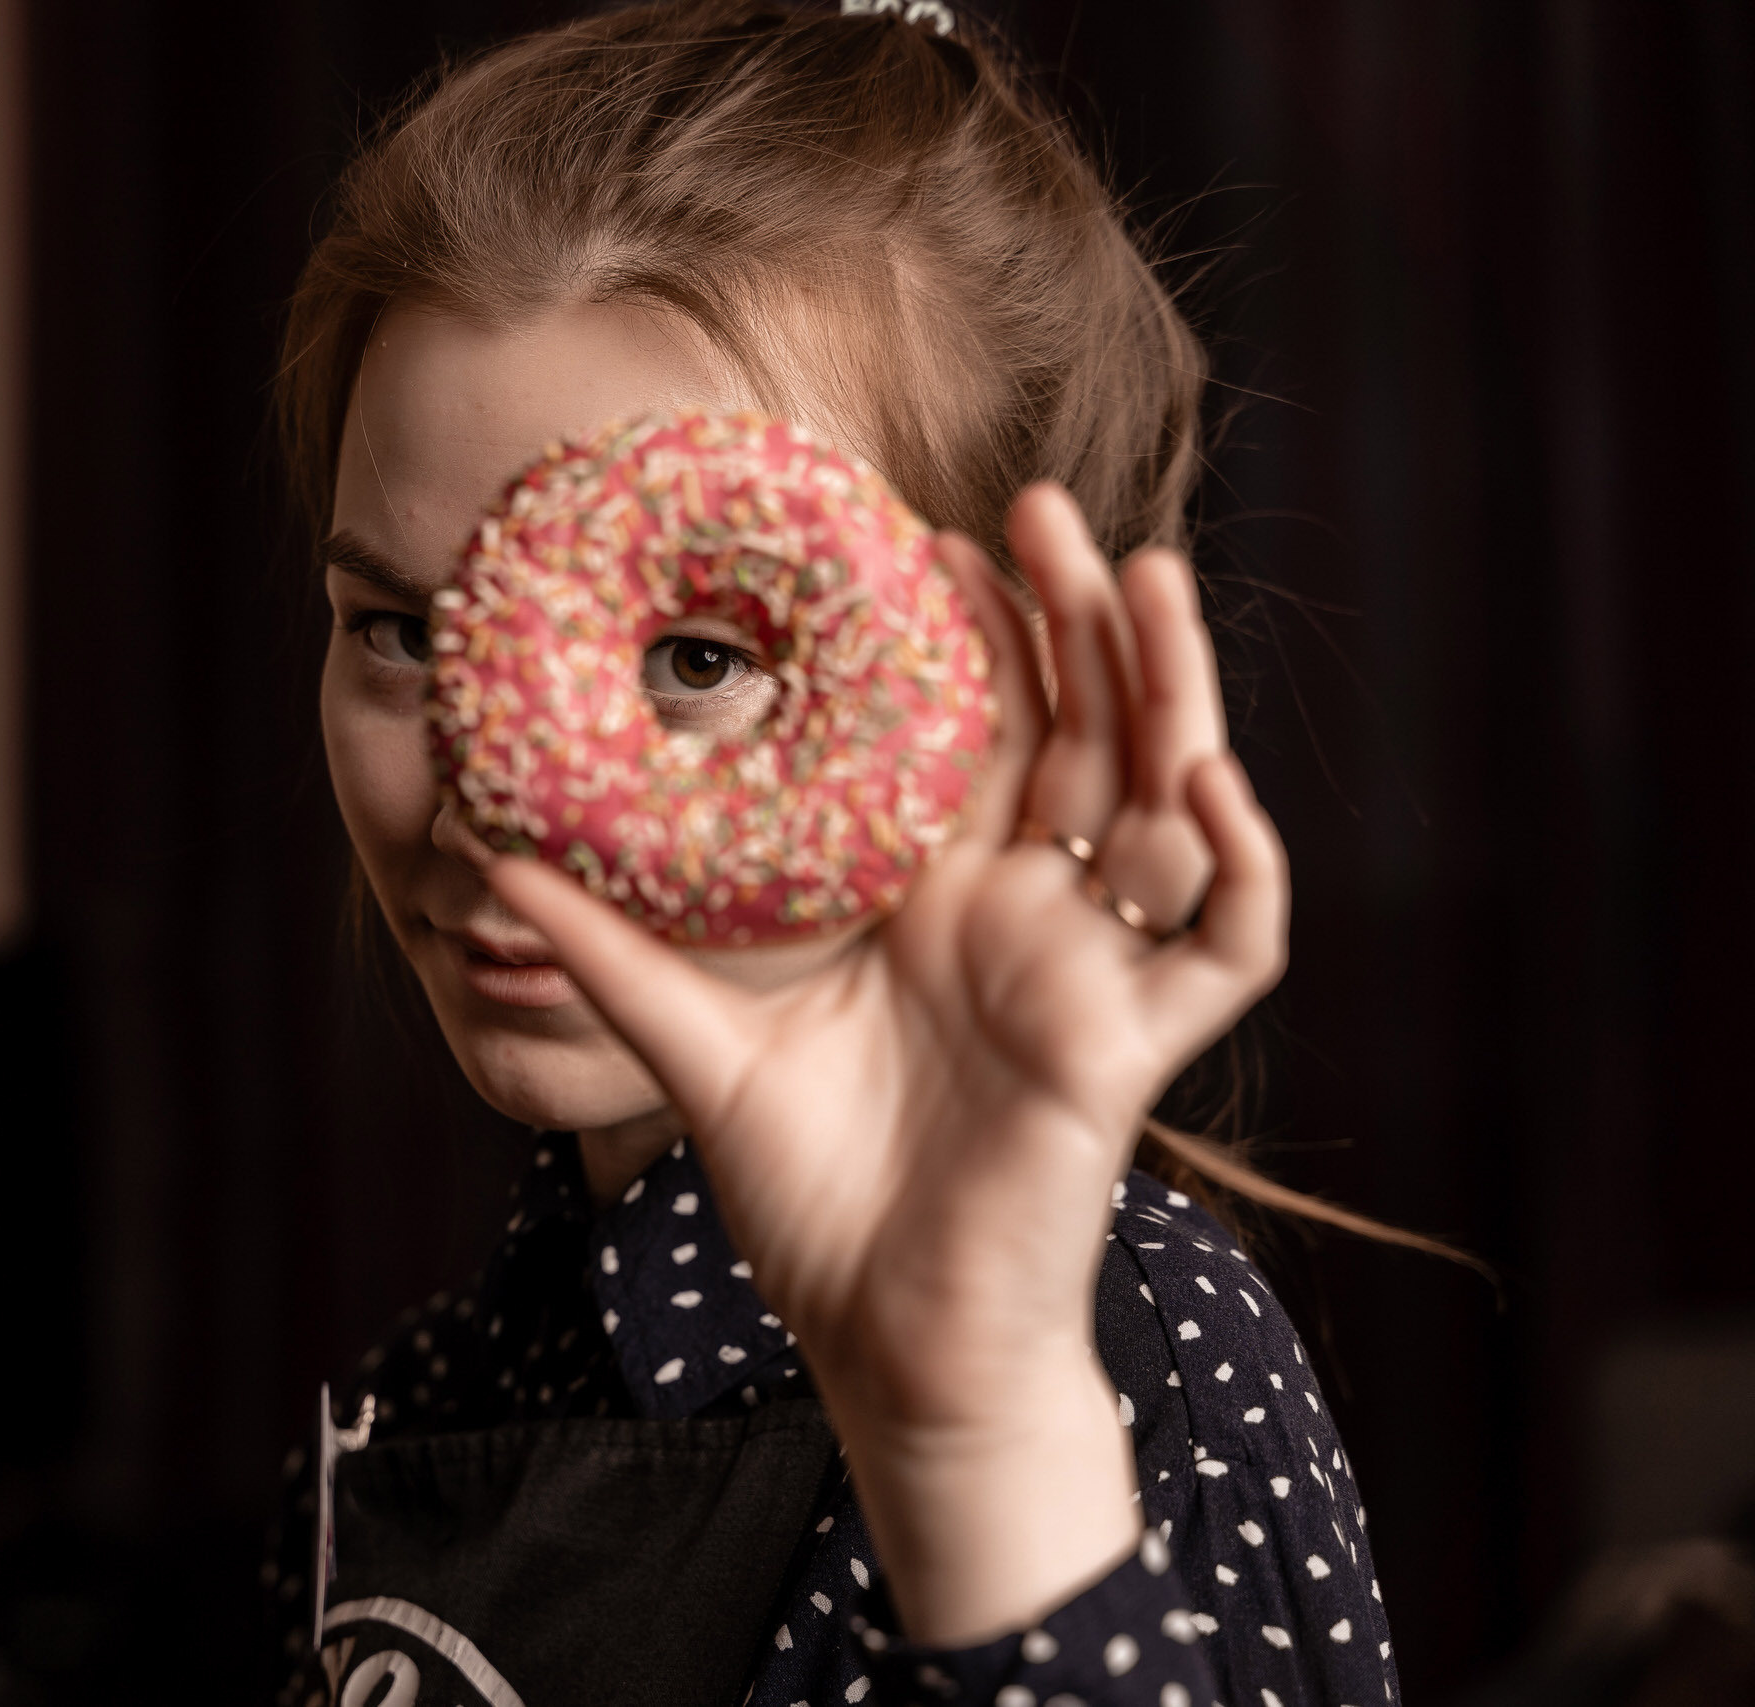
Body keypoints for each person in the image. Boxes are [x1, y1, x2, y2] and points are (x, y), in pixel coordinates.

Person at [268, 4, 1425, 1702]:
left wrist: (976, 1451)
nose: (489, 806)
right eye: (401, 630)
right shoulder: (433, 1383)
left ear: (1009, 700)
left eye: (701, 660)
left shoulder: (1117, 1374)